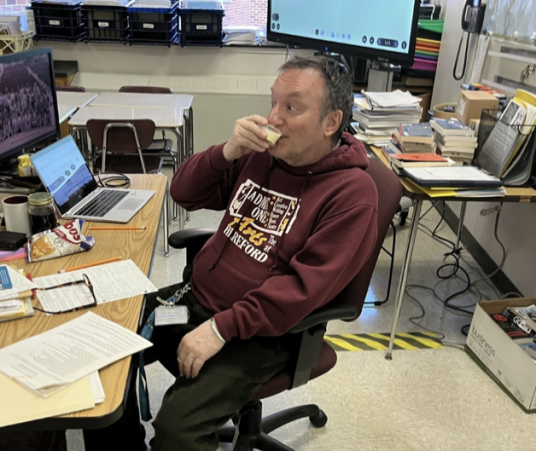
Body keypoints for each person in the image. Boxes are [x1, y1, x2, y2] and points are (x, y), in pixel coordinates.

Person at [84, 55, 379, 451]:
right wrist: (227, 151)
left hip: (263, 332)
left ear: (331, 122)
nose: (274, 118)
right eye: (273, 102)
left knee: (177, 428)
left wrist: (221, 328)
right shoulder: (263, 156)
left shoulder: (352, 196)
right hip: (198, 300)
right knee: (99, 343)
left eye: (292, 107)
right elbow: (183, 194)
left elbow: (302, 290)